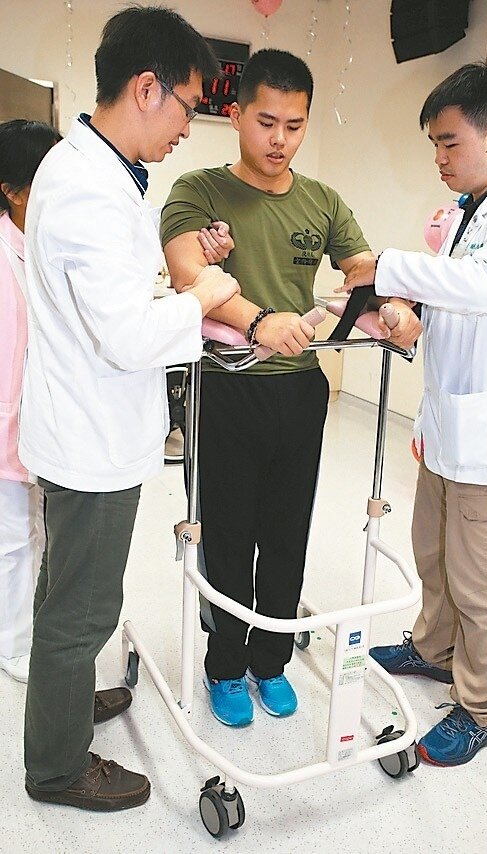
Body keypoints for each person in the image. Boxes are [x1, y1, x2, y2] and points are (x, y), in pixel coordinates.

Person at [18, 6, 239, 812]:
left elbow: (110, 288)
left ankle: (66, 705)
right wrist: (201, 295)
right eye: (188, 106)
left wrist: (188, 265)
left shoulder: (97, 169)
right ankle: (56, 769)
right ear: (147, 88)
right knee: (81, 610)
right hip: (91, 437)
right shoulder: (88, 187)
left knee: (68, 592)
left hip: (83, 423)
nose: (188, 126)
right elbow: (125, 336)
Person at [161, 48, 422, 728]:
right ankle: (225, 665)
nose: (280, 139)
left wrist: (390, 306)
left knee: (285, 531)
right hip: (227, 387)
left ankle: (271, 660)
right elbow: (187, 273)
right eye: (266, 122)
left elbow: (362, 271)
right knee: (228, 533)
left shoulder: (321, 201)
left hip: (301, 390)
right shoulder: (198, 191)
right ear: (236, 115)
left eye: (295, 125)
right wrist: (258, 320)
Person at [335, 63, 487, 766]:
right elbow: (455, 301)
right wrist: (410, 316)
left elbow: (483, 287)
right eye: (434, 144)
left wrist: (385, 266)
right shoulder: (472, 211)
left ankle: (482, 708)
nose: (438, 157)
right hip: (451, 424)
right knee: (434, 550)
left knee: (481, 579)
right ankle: (435, 649)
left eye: (449, 142)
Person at [0, 120, 60, 683]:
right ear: (13, 191)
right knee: (14, 541)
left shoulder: (39, 246)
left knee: (33, 533)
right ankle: (13, 645)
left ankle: (26, 632)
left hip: (38, 425)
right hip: (7, 428)